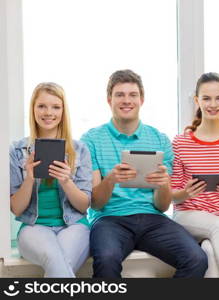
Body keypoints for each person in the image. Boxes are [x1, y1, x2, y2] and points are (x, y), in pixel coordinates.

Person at [80, 69, 207, 278]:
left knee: (197, 258)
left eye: (132, 95)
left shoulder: (159, 139)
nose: (126, 100)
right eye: (120, 95)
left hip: (152, 218)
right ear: (109, 100)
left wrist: (163, 184)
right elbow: (96, 203)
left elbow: (162, 205)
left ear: (142, 99)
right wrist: (111, 179)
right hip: (109, 219)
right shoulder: (91, 139)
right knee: (107, 258)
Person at [10, 82, 92, 277]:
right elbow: (16, 208)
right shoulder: (16, 150)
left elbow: (83, 206)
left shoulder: (79, 150)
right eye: (42, 106)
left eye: (56, 106)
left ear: (63, 111)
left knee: (59, 265)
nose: (49, 112)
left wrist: (66, 181)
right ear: (33, 109)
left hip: (74, 225)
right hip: (33, 227)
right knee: (56, 259)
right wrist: (29, 177)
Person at [171, 72, 219, 277]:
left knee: (210, 250)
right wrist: (185, 193)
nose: (213, 104)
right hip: (187, 216)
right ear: (197, 101)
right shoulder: (180, 142)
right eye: (206, 98)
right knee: (216, 227)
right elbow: (171, 194)